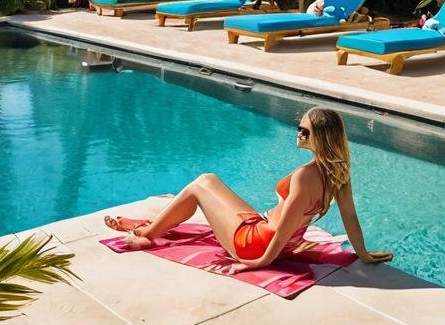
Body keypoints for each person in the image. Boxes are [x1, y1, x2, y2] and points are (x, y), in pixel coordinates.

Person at [104, 107, 393, 270]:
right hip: (266, 231)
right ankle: (152, 226)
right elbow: (350, 217)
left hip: (255, 242)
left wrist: (258, 263)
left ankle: (148, 233)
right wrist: (363, 253)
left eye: (305, 131)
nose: (298, 133)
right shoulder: (338, 172)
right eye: (299, 127)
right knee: (209, 180)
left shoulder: (306, 177)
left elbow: (284, 229)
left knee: (201, 184)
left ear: (322, 138)